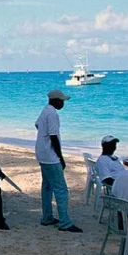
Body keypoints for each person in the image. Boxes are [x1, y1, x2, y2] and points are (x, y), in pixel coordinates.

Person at [35, 90, 81, 233]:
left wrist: (43, 138)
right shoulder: (53, 113)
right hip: (50, 156)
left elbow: (37, 125)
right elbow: (54, 137)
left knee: (47, 187)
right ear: (55, 100)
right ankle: (65, 223)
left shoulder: (45, 111)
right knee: (61, 190)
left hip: (42, 153)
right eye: (61, 101)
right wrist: (60, 157)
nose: (63, 103)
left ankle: (47, 217)